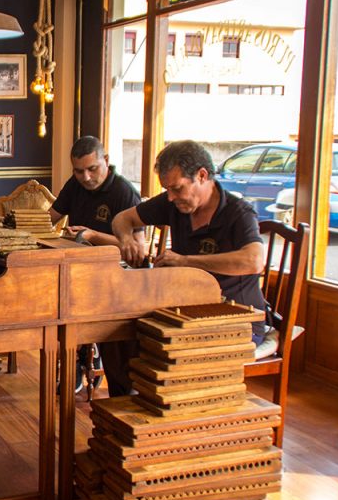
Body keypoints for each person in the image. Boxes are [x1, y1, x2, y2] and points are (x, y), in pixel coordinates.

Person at [112, 140, 268, 346]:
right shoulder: (174, 203)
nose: (170, 197)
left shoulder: (238, 213)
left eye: (177, 188)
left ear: (202, 176)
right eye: (167, 189)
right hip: (185, 309)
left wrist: (185, 261)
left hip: (237, 317)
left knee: (157, 345)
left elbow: (254, 261)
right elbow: (122, 219)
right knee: (117, 333)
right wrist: (127, 240)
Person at [49, 136, 145, 397]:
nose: (86, 177)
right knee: (55, 292)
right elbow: (50, 217)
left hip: (119, 271)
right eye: (79, 171)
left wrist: (93, 235)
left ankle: (86, 356)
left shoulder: (123, 192)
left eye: (93, 169)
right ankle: (78, 355)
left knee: (76, 299)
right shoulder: (75, 185)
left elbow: (138, 251)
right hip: (82, 265)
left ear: (106, 161)